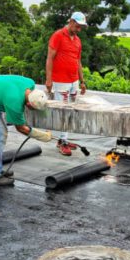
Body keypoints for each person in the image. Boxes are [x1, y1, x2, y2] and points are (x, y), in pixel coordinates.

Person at [45, 11, 88, 156]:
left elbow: (78, 61)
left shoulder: (77, 40)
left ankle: (65, 139)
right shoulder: (58, 35)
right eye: (78, 25)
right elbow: (50, 58)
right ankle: (61, 142)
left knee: (70, 111)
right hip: (60, 81)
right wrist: (49, 79)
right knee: (62, 111)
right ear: (71, 21)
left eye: (81, 26)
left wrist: (82, 81)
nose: (79, 29)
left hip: (73, 81)